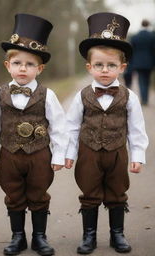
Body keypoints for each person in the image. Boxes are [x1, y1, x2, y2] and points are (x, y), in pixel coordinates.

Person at [65, 12, 148, 254]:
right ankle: (89, 236)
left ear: (122, 68)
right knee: (89, 192)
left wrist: (137, 156)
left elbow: (136, 129)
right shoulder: (82, 96)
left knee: (117, 192)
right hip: (88, 153)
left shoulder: (129, 97)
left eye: (111, 65)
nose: (104, 70)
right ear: (89, 67)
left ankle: (117, 234)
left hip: (117, 154)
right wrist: (69, 154)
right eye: (99, 65)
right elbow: (71, 126)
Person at [0, 13, 67, 256]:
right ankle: (17, 237)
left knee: (39, 193)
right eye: (18, 63)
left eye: (30, 64)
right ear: (7, 65)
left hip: (40, 154)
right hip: (9, 154)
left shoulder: (47, 95)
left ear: (39, 68)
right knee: (13, 193)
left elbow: (59, 126)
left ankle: (39, 237)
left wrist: (58, 155)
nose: (23, 68)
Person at [130, 19, 155, 105]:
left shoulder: (135, 37)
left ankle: (143, 99)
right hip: (149, 63)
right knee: (147, 81)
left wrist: (131, 63)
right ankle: (145, 99)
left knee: (141, 81)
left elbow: (131, 51)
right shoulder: (152, 36)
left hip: (138, 63)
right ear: (148, 25)